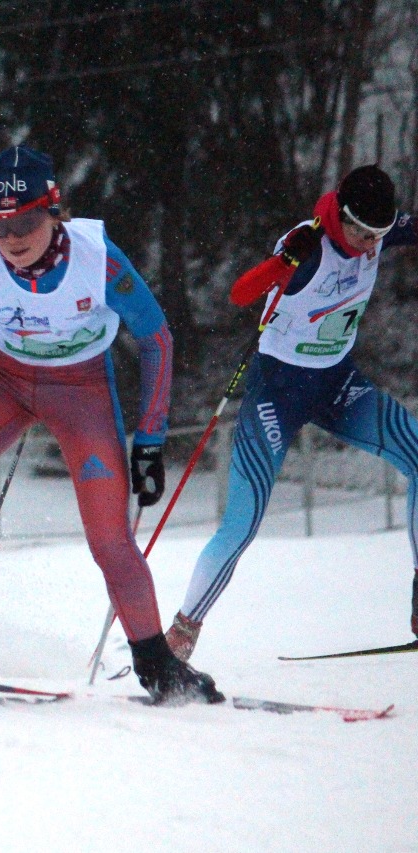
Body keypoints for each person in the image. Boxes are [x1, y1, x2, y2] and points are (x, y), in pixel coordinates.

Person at [0, 145, 223, 704]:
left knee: (108, 535)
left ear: (55, 211)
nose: (11, 238)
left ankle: (156, 662)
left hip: (79, 391)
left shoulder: (96, 258)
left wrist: (150, 439)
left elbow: (155, 338)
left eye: (26, 221)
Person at [166, 165, 418, 661]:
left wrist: (387, 234)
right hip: (277, 393)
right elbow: (241, 294)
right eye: (363, 235)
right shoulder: (308, 246)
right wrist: (281, 263)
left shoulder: (371, 233)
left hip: (336, 384)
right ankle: (179, 636)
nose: (371, 247)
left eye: (380, 237)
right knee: (241, 522)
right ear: (341, 216)